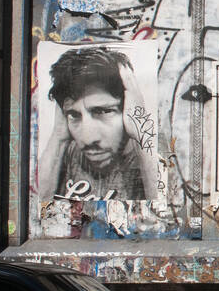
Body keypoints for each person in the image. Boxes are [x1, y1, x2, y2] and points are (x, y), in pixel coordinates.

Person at [38, 46, 160, 201]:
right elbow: (35, 210)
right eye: (74, 115)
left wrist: (140, 127)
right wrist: (58, 136)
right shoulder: (67, 153)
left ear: (128, 106)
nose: (87, 139)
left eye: (102, 112)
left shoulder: (150, 156)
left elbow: (165, 216)